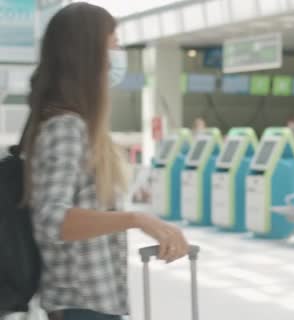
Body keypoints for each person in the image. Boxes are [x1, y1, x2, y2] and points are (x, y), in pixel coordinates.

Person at [22, 3, 190, 319]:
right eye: (113, 45)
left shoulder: (75, 124)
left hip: (92, 302)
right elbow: (51, 219)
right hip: (80, 305)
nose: (118, 55)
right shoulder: (66, 127)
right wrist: (137, 219)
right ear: (88, 54)